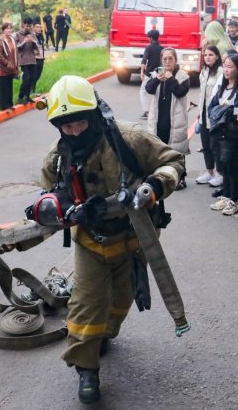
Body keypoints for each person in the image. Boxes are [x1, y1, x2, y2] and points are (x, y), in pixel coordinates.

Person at [39, 75, 185, 404]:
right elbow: (49, 193)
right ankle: (86, 368)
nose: (74, 131)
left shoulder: (128, 138)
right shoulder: (59, 155)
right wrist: (56, 208)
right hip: (91, 241)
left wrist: (155, 187)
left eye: (78, 123)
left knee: (121, 299)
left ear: (92, 115)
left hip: (135, 236)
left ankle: (104, 335)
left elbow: (174, 161)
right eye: (66, 126)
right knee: (87, 304)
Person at [208, 53, 238, 215]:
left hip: (234, 135)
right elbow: (211, 108)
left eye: (230, 66)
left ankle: (234, 199)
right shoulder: (221, 88)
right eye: (225, 66)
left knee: (234, 166)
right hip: (220, 133)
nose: (226, 70)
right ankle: (225, 195)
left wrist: (223, 109)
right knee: (224, 165)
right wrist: (223, 109)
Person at [145, 47, 190, 190]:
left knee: (177, 151)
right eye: (164, 59)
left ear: (175, 60)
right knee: (159, 149)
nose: (167, 61)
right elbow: (149, 89)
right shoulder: (156, 73)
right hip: (159, 119)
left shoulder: (183, 76)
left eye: (170, 58)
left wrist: (170, 78)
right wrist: (157, 80)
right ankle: (161, 178)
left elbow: (180, 92)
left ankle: (181, 178)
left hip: (175, 120)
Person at [196, 45, 223, 187]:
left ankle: (220, 174)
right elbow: (202, 94)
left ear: (217, 56)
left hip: (215, 115)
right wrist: (199, 112)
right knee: (205, 144)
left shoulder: (221, 72)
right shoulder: (204, 71)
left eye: (211, 55)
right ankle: (209, 171)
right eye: (206, 55)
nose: (207, 57)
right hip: (203, 113)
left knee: (215, 146)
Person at [139, 30, 163, 120]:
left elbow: (144, 60)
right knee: (158, 92)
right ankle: (157, 111)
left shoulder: (148, 48)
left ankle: (147, 112)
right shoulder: (162, 48)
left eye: (148, 37)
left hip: (149, 73)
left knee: (143, 91)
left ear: (151, 38)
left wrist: (142, 72)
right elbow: (162, 63)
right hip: (159, 72)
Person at [15, 18, 39, 105]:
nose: (28, 27)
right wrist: (24, 41)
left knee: (32, 78)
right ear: (23, 24)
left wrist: (32, 41)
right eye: (27, 25)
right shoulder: (18, 34)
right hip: (23, 60)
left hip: (32, 59)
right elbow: (17, 47)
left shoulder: (32, 34)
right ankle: (21, 96)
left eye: (30, 26)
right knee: (26, 78)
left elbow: (37, 45)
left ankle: (27, 96)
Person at [0, 22, 18, 111]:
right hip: (3, 68)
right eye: (7, 29)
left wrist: (15, 65)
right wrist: (7, 63)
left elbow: (15, 53)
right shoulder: (0, 40)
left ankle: (9, 104)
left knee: (9, 86)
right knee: (3, 87)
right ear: (3, 30)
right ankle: (3, 106)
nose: (9, 30)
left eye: (10, 28)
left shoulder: (12, 39)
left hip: (11, 68)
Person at [32, 22, 46, 97]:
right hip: (35, 59)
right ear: (34, 28)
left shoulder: (41, 36)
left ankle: (33, 90)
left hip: (41, 58)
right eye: (37, 27)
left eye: (40, 27)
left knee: (38, 76)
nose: (39, 29)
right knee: (34, 76)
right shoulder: (32, 36)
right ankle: (32, 91)